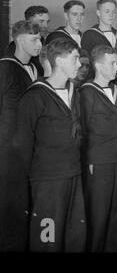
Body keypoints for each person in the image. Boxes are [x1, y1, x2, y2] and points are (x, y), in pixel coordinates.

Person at [14, 38, 86, 252]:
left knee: (74, 232)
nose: (80, 64)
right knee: (49, 235)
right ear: (60, 60)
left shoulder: (75, 92)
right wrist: (39, 173)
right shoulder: (35, 96)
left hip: (73, 172)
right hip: (48, 179)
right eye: (75, 59)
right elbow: (22, 143)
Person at [80, 45, 117, 252]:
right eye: (113, 63)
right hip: (98, 163)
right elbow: (82, 132)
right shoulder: (86, 93)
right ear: (98, 65)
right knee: (99, 215)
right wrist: (88, 162)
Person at [0, 20, 42, 251]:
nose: (39, 43)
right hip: (8, 151)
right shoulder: (5, 67)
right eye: (33, 39)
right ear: (18, 40)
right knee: (11, 206)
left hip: (30, 148)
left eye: (40, 38)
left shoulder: (36, 68)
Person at [5, 5, 50, 77]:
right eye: (41, 21)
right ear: (28, 22)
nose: (46, 26)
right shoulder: (14, 47)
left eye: (47, 22)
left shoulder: (44, 41)